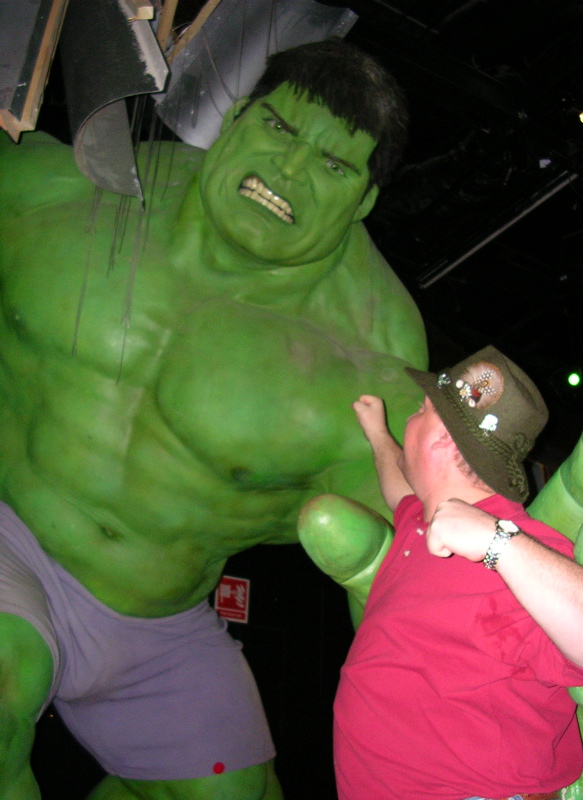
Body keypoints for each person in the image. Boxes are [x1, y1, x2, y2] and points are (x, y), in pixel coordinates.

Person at [0, 39, 427, 800]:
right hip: (11, 539)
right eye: (279, 128)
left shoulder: (375, 359)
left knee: (236, 795)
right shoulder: (57, 190)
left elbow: (400, 581)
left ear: (364, 201)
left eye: (334, 165)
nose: (288, 170)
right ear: (234, 118)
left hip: (158, 620)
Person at [332, 346, 583, 800]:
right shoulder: (421, 520)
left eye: (421, 410)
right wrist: (377, 434)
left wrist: (498, 543)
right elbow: (399, 491)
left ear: (441, 439)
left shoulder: (526, 552)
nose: (410, 418)